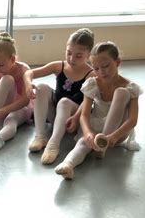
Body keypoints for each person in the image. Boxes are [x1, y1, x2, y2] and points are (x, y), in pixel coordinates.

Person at [55, 42, 142, 180]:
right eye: (96, 68)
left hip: (117, 133)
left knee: (121, 92)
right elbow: (84, 115)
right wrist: (88, 133)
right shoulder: (93, 83)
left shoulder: (129, 87)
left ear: (117, 62)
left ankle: (102, 146)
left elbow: (133, 120)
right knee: (84, 142)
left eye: (106, 66)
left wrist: (113, 137)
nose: (101, 72)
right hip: (97, 124)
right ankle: (68, 165)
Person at [24, 28, 95, 164]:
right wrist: (28, 84)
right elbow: (29, 73)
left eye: (78, 56)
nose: (71, 59)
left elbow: (88, 101)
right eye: (69, 53)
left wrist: (75, 118)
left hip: (74, 120)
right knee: (42, 87)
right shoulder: (59, 66)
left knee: (64, 102)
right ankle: (40, 136)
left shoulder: (91, 75)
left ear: (89, 54)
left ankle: (53, 144)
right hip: (55, 116)